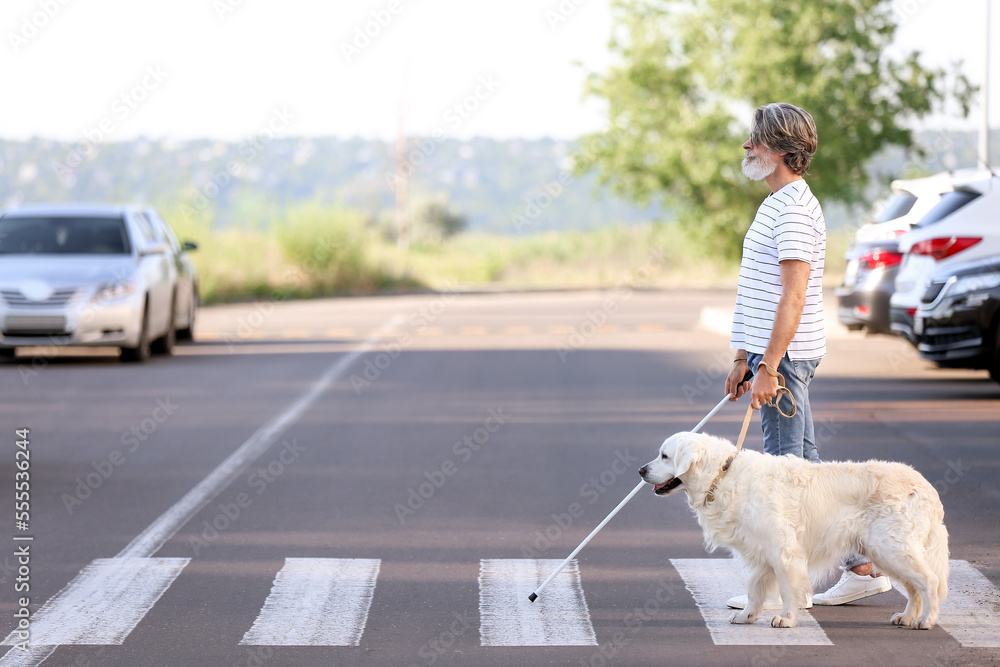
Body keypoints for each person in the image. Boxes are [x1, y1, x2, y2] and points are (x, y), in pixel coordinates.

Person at [722, 102, 891, 609]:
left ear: (780, 151)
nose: (747, 146)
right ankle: (861, 568)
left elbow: (793, 297)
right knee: (808, 468)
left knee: (783, 476)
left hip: (786, 360)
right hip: (771, 357)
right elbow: (758, 290)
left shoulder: (793, 208)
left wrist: (769, 366)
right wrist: (743, 358)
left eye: (756, 139)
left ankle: (779, 590)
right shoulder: (777, 202)